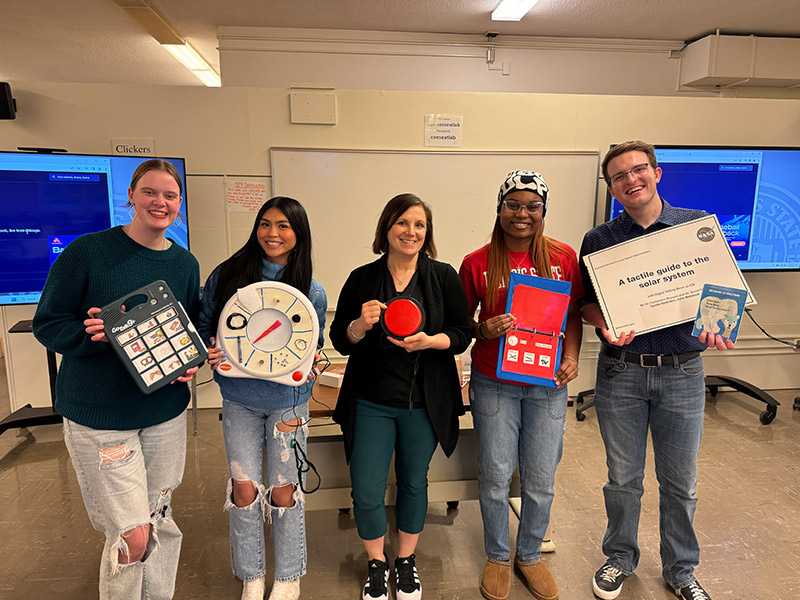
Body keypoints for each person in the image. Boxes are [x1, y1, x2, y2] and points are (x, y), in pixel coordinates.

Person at [32, 159, 200, 599]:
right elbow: (48, 323)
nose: (159, 202)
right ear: (131, 195)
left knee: (160, 522)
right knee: (133, 536)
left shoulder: (184, 264)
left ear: (179, 204)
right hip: (102, 416)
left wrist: (188, 361)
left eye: (170, 195)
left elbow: (187, 329)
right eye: (150, 192)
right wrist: (93, 337)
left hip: (164, 413)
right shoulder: (88, 251)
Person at [579, 141, 733, 600]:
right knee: (623, 479)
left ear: (657, 173)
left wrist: (717, 322)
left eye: (638, 170)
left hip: (683, 372)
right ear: (612, 187)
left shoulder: (696, 226)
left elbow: (721, 290)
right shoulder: (599, 240)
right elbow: (586, 304)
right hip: (621, 373)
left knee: (680, 483)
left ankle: (681, 570)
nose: (631, 180)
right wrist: (602, 322)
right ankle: (620, 558)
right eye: (619, 177)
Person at [329, 193, 472, 600]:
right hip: (370, 402)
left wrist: (432, 341)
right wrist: (359, 323)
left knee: (414, 483)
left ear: (427, 234)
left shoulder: (442, 276)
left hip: (423, 404)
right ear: (387, 229)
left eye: (419, 225)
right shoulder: (361, 277)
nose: (411, 231)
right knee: (367, 488)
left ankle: (406, 561)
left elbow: (463, 333)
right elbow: (341, 339)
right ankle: (377, 563)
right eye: (403, 223)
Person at [458, 170, 583, 600]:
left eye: (532, 206)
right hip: (494, 381)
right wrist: (484, 329)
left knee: (541, 476)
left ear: (543, 211)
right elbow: (461, 324)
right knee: (494, 474)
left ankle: (528, 555)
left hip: (547, 383)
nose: (522, 214)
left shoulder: (564, 258)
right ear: (500, 208)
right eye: (513, 205)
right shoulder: (477, 262)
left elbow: (574, 317)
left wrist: (572, 357)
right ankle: (497, 555)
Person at [197, 197, 327, 600]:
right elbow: (204, 329)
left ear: (298, 234)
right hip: (239, 398)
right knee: (245, 489)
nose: (273, 233)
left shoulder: (312, 291)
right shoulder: (227, 276)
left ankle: (288, 575)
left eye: (284, 226)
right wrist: (209, 348)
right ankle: (251, 573)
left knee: (284, 490)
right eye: (266, 224)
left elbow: (313, 346)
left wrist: (315, 363)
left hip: (289, 403)